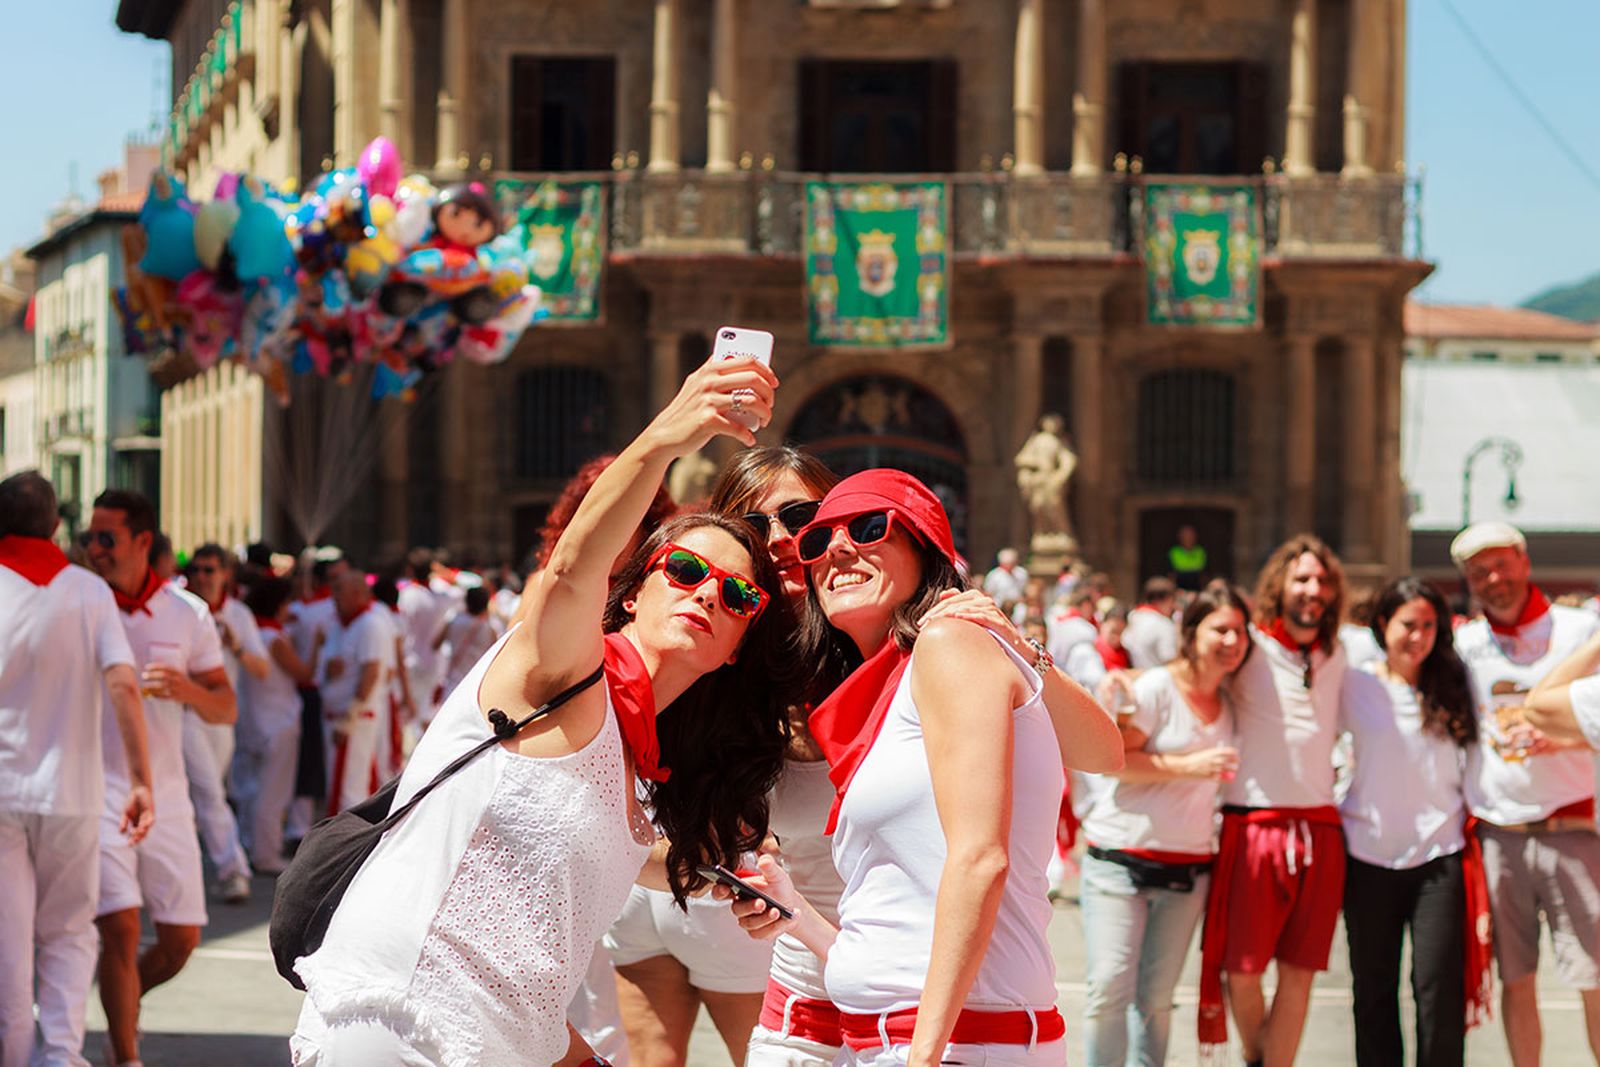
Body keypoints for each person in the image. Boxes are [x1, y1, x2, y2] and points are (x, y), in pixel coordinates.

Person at [290, 352, 794, 1065]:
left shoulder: (640, 764)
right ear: (632, 591)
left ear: (740, 643)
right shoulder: (561, 668)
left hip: (500, 1041)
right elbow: (569, 569)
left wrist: (726, 865)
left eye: (740, 595)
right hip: (400, 1024)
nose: (709, 593)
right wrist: (666, 438)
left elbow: (562, 908)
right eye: (685, 570)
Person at [708, 449, 1122, 1067]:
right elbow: (888, 896)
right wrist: (788, 906)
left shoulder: (948, 646)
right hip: (839, 1016)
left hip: (942, 1033)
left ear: (926, 546)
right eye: (824, 536)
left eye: (866, 525)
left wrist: (1019, 644)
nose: (826, 546)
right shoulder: (791, 679)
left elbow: (1092, 762)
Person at [0, 471, 153, 1067]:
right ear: (57, 527)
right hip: (70, 790)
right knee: (66, 932)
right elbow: (123, 683)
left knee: (10, 942)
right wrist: (140, 778)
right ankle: (59, 1054)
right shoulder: (88, 593)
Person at [83, 488, 235, 1067]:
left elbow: (226, 708)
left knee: (179, 941)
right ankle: (126, 1056)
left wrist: (188, 689)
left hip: (167, 796)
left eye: (106, 538)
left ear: (142, 541)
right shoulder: (81, 601)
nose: (94, 549)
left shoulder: (187, 613)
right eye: (88, 538)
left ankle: (122, 1002)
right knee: (119, 928)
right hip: (94, 793)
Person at [1078, 580, 1250, 1067]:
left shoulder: (1234, 699)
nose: (1231, 642)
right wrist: (1188, 766)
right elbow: (1113, 759)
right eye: (1220, 630)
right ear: (1192, 633)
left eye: (1240, 632)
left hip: (1188, 870)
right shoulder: (1157, 688)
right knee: (1108, 992)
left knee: (1156, 1000)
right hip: (1119, 861)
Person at [1449, 521, 1600, 1067]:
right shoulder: (1464, 643)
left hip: (1573, 829)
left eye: (1501, 564)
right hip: (1499, 833)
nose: (1494, 578)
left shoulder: (1580, 629)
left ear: (1524, 561)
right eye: (1479, 571)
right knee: (1517, 978)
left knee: (1594, 979)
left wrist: (1560, 736)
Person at [1197, 534, 1348, 1067]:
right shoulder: (1250, 648)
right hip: (1254, 825)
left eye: (1321, 580)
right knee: (1241, 971)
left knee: (1300, 972)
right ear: (1279, 584)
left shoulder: (1338, 652)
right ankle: (1260, 1058)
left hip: (1322, 829)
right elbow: (1193, 676)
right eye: (1302, 578)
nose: (1312, 589)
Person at [1338, 577, 1482, 1067]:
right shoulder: (1356, 684)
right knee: (1373, 989)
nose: (1417, 636)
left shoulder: (1455, 684)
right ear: (1383, 624)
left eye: (1428, 626)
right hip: (1367, 854)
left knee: (1438, 989)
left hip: (1439, 858)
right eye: (1407, 625)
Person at [185, 543, 267, 903]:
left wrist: (235, 647)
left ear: (225, 574)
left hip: (221, 718)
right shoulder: (179, 608)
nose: (201, 577)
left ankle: (182, 871)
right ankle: (233, 869)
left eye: (209, 570)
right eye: (196, 570)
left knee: (204, 794)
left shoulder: (239, 615)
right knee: (208, 793)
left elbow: (261, 669)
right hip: (184, 714)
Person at [241, 577, 320, 873]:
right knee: (272, 794)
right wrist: (316, 646)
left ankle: (251, 844)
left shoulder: (251, 634)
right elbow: (304, 672)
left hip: (255, 720)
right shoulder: (273, 639)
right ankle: (266, 854)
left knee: (252, 789)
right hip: (279, 721)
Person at [320, 570, 400, 815]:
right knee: (344, 786)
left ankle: (350, 849)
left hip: (352, 720)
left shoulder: (369, 624)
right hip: (335, 716)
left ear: (358, 593)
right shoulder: (340, 625)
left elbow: (373, 672)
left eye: (339, 591)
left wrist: (350, 717)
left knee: (348, 791)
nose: (334, 597)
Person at [396, 548, 454, 727]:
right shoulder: (442, 596)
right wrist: (443, 572)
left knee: (409, 715)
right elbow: (467, 588)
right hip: (433, 663)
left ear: (409, 570)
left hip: (410, 661)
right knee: (427, 715)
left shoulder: (406, 596)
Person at [434, 585, 504, 703]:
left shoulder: (454, 620)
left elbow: (435, 644)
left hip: (452, 684)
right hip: (476, 686)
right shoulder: (490, 628)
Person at [1122, 576, 1180, 669]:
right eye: (1172, 601)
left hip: (1133, 677)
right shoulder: (1164, 624)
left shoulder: (1132, 616)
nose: (1173, 606)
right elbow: (1170, 660)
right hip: (1157, 679)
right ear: (1167, 599)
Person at [983, 547, 1029, 615]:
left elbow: (1026, 591)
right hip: (999, 606)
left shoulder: (1022, 573)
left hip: (1018, 606)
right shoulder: (994, 575)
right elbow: (988, 593)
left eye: (1013, 563)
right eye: (1008, 563)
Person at [1167, 525, 1207, 592]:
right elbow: (1171, 574)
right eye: (1185, 536)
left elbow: (1203, 574)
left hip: (1197, 589)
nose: (1188, 538)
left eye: (1191, 536)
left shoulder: (1200, 551)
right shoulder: (1174, 552)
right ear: (1179, 537)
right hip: (1179, 589)